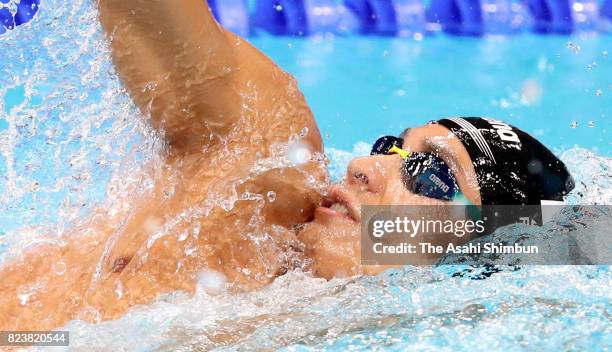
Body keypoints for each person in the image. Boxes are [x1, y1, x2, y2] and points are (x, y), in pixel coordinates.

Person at [0, 0, 573, 331]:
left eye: (432, 176)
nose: (363, 167)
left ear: (478, 245)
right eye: (388, 147)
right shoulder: (255, 193)